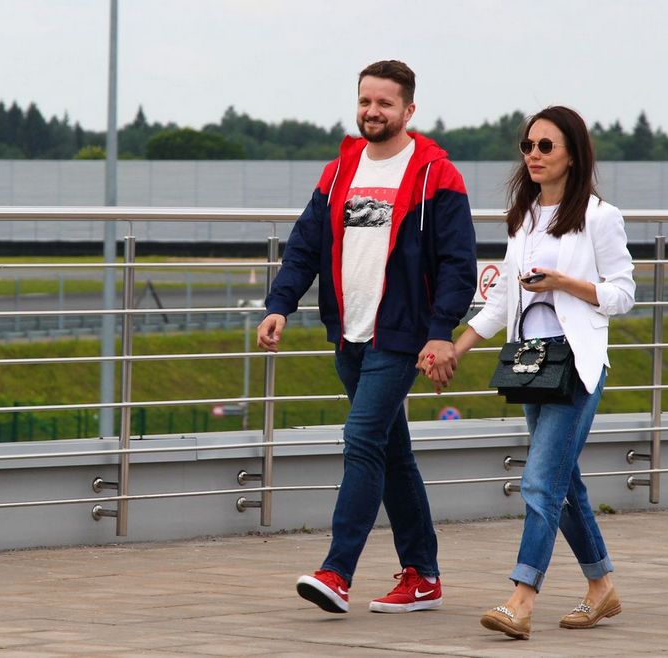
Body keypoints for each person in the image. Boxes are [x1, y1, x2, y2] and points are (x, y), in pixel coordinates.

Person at [257, 60, 476, 614]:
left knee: (360, 440)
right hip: (348, 335)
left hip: (401, 336)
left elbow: (458, 264)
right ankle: (423, 576)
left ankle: (337, 572)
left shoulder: (435, 174)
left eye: (384, 103)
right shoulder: (339, 172)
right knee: (392, 453)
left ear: (408, 109)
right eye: (365, 101)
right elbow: (304, 245)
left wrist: (440, 333)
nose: (372, 112)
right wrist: (280, 305)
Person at [437, 106, 635, 639]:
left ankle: (521, 599)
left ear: (573, 153)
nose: (534, 155)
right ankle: (601, 586)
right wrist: (459, 346)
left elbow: (623, 294)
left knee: (540, 481)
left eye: (546, 146)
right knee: (561, 481)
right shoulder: (524, 217)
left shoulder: (599, 217)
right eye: (528, 146)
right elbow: (504, 298)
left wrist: (563, 283)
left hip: (575, 363)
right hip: (530, 363)